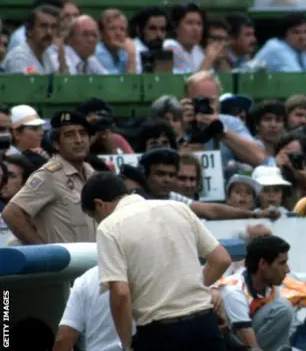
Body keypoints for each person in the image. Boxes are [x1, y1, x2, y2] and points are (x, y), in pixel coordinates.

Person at [81, 171, 231, 351]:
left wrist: (127, 345)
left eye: (94, 218)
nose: (97, 222)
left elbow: (120, 294)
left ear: (99, 204)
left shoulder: (109, 227)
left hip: (160, 334)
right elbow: (221, 259)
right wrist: (189, 290)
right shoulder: (178, 208)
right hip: (205, 325)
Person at [3, 111, 96, 245]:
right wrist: (43, 251)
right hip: (64, 264)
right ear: (56, 144)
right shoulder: (49, 175)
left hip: (90, 261)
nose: (79, 140)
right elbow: (11, 214)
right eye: (69, 135)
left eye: (83, 133)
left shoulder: (91, 174)